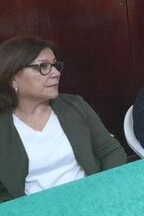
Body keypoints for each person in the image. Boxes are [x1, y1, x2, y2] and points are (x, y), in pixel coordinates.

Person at [0, 36, 126, 203]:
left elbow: (112, 152)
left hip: (91, 198)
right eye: (43, 66)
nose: (56, 73)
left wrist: (100, 189)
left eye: (54, 65)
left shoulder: (75, 106)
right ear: (13, 78)